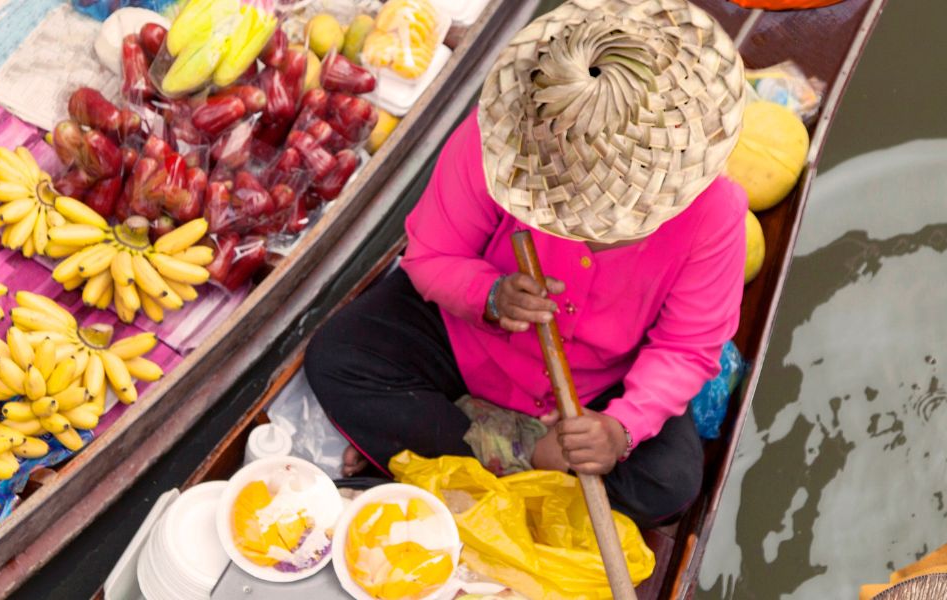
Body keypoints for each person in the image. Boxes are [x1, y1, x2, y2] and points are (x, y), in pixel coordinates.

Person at [303, 0, 748, 525]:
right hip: (470, 345)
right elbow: (430, 256)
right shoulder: (499, 139)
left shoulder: (716, 212)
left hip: (596, 390)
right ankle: (524, 460)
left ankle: (456, 455)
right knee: (337, 357)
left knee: (667, 485)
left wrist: (619, 430)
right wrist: (488, 295)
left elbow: (686, 346)